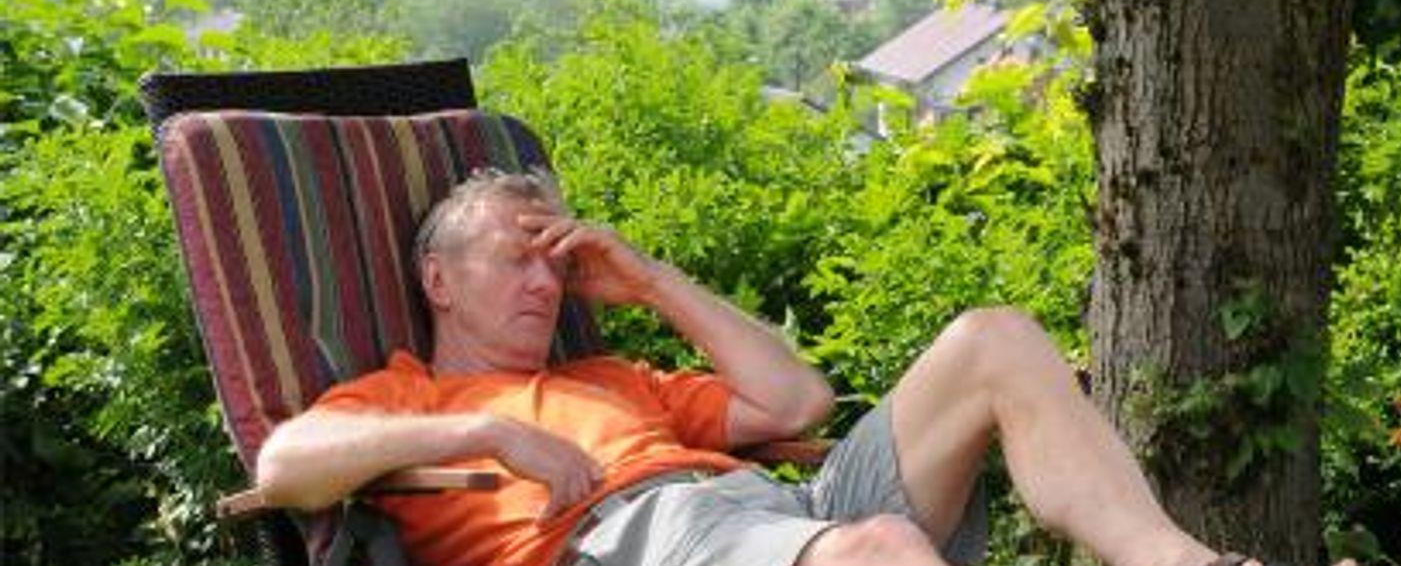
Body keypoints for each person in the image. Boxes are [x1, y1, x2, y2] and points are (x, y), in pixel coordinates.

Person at [256, 169, 1342, 566]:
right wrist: (486, 431)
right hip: (631, 539)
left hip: (770, 515)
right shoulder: (411, 394)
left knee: (995, 338)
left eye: (557, 258)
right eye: (515, 257)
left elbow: (797, 400)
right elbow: (282, 465)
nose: (546, 281)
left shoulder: (618, 378)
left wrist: (650, 280)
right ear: (439, 280)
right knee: (882, 549)